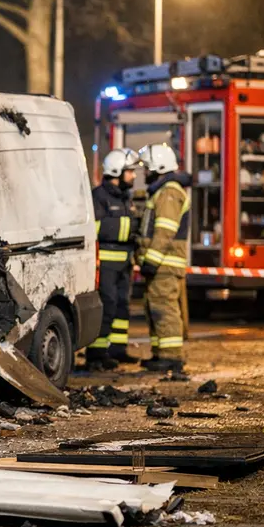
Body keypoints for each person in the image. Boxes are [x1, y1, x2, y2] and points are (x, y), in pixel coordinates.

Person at [136, 143, 192, 375]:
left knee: (165, 309)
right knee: (155, 308)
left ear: (159, 167)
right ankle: (161, 354)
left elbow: (164, 231)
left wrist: (151, 259)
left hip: (165, 263)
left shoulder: (169, 192)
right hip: (163, 263)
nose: (145, 173)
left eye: (148, 168)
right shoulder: (164, 191)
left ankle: (171, 357)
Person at [85, 148, 141, 370]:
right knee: (107, 306)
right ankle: (96, 354)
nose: (134, 176)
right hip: (106, 262)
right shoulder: (99, 196)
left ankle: (117, 349)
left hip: (125, 262)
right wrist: (131, 226)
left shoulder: (125, 197)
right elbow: (96, 228)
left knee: (122, 306)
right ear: (117, 172)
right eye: (130, 172)